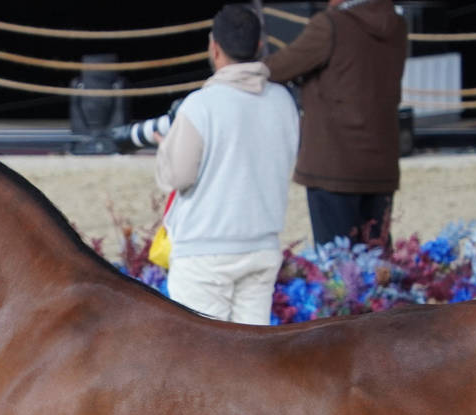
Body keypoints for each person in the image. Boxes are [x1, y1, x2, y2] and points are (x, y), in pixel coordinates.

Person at [153, 4, 299, 325]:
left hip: (204, 252)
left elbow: (178, 177)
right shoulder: (283, 101)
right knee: (253, 350)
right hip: (262, 246)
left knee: (200, 351)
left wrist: (165, 149)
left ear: (214, 47)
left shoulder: (200, 105)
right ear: (259, 46)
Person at [264, 0, 407, 250]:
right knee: (377, 261)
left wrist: (237, 70)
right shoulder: (396, 24)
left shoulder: (331, 26)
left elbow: (277, 68)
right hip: (381, 165)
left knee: (338, 266)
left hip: (333, 167)